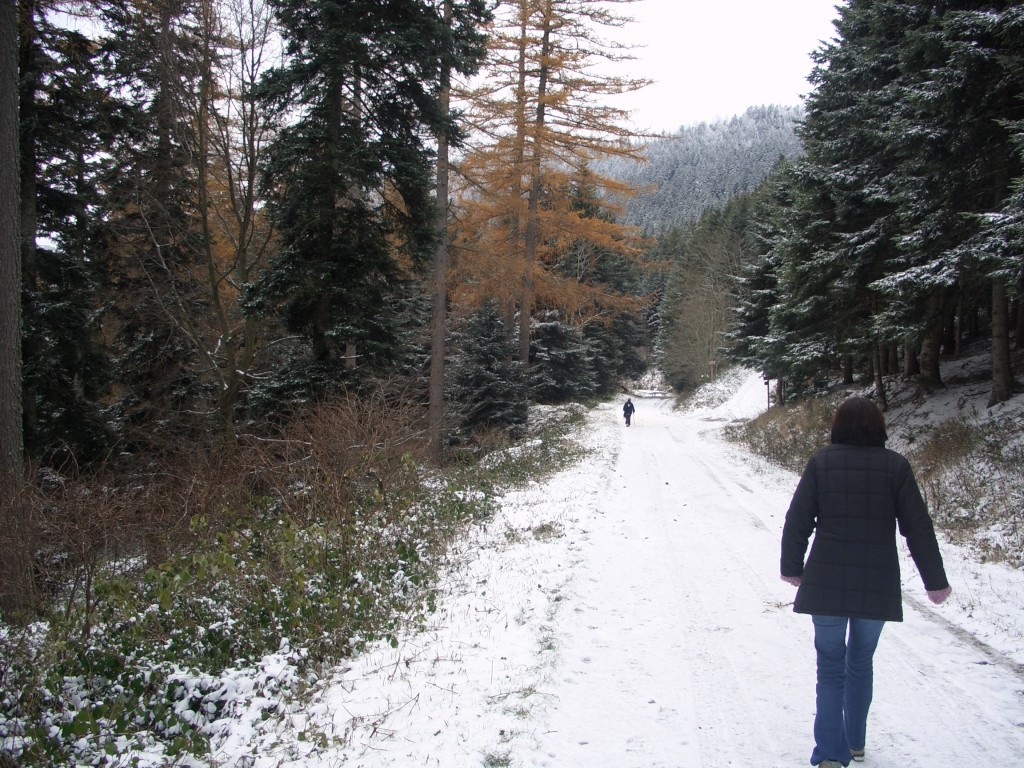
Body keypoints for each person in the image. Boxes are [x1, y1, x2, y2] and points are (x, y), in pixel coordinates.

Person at [780, 396, 951, 768]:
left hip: (825, 581)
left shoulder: (822, 462)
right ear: (879, 426)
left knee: (830, 667)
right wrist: (934, 580)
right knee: (861, 661)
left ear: (838, 425)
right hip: (877, 583)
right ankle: (855, 742)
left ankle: (830, 753)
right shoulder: (896, 467)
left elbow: (798, 519)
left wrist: (793, 566)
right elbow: (917, 528)